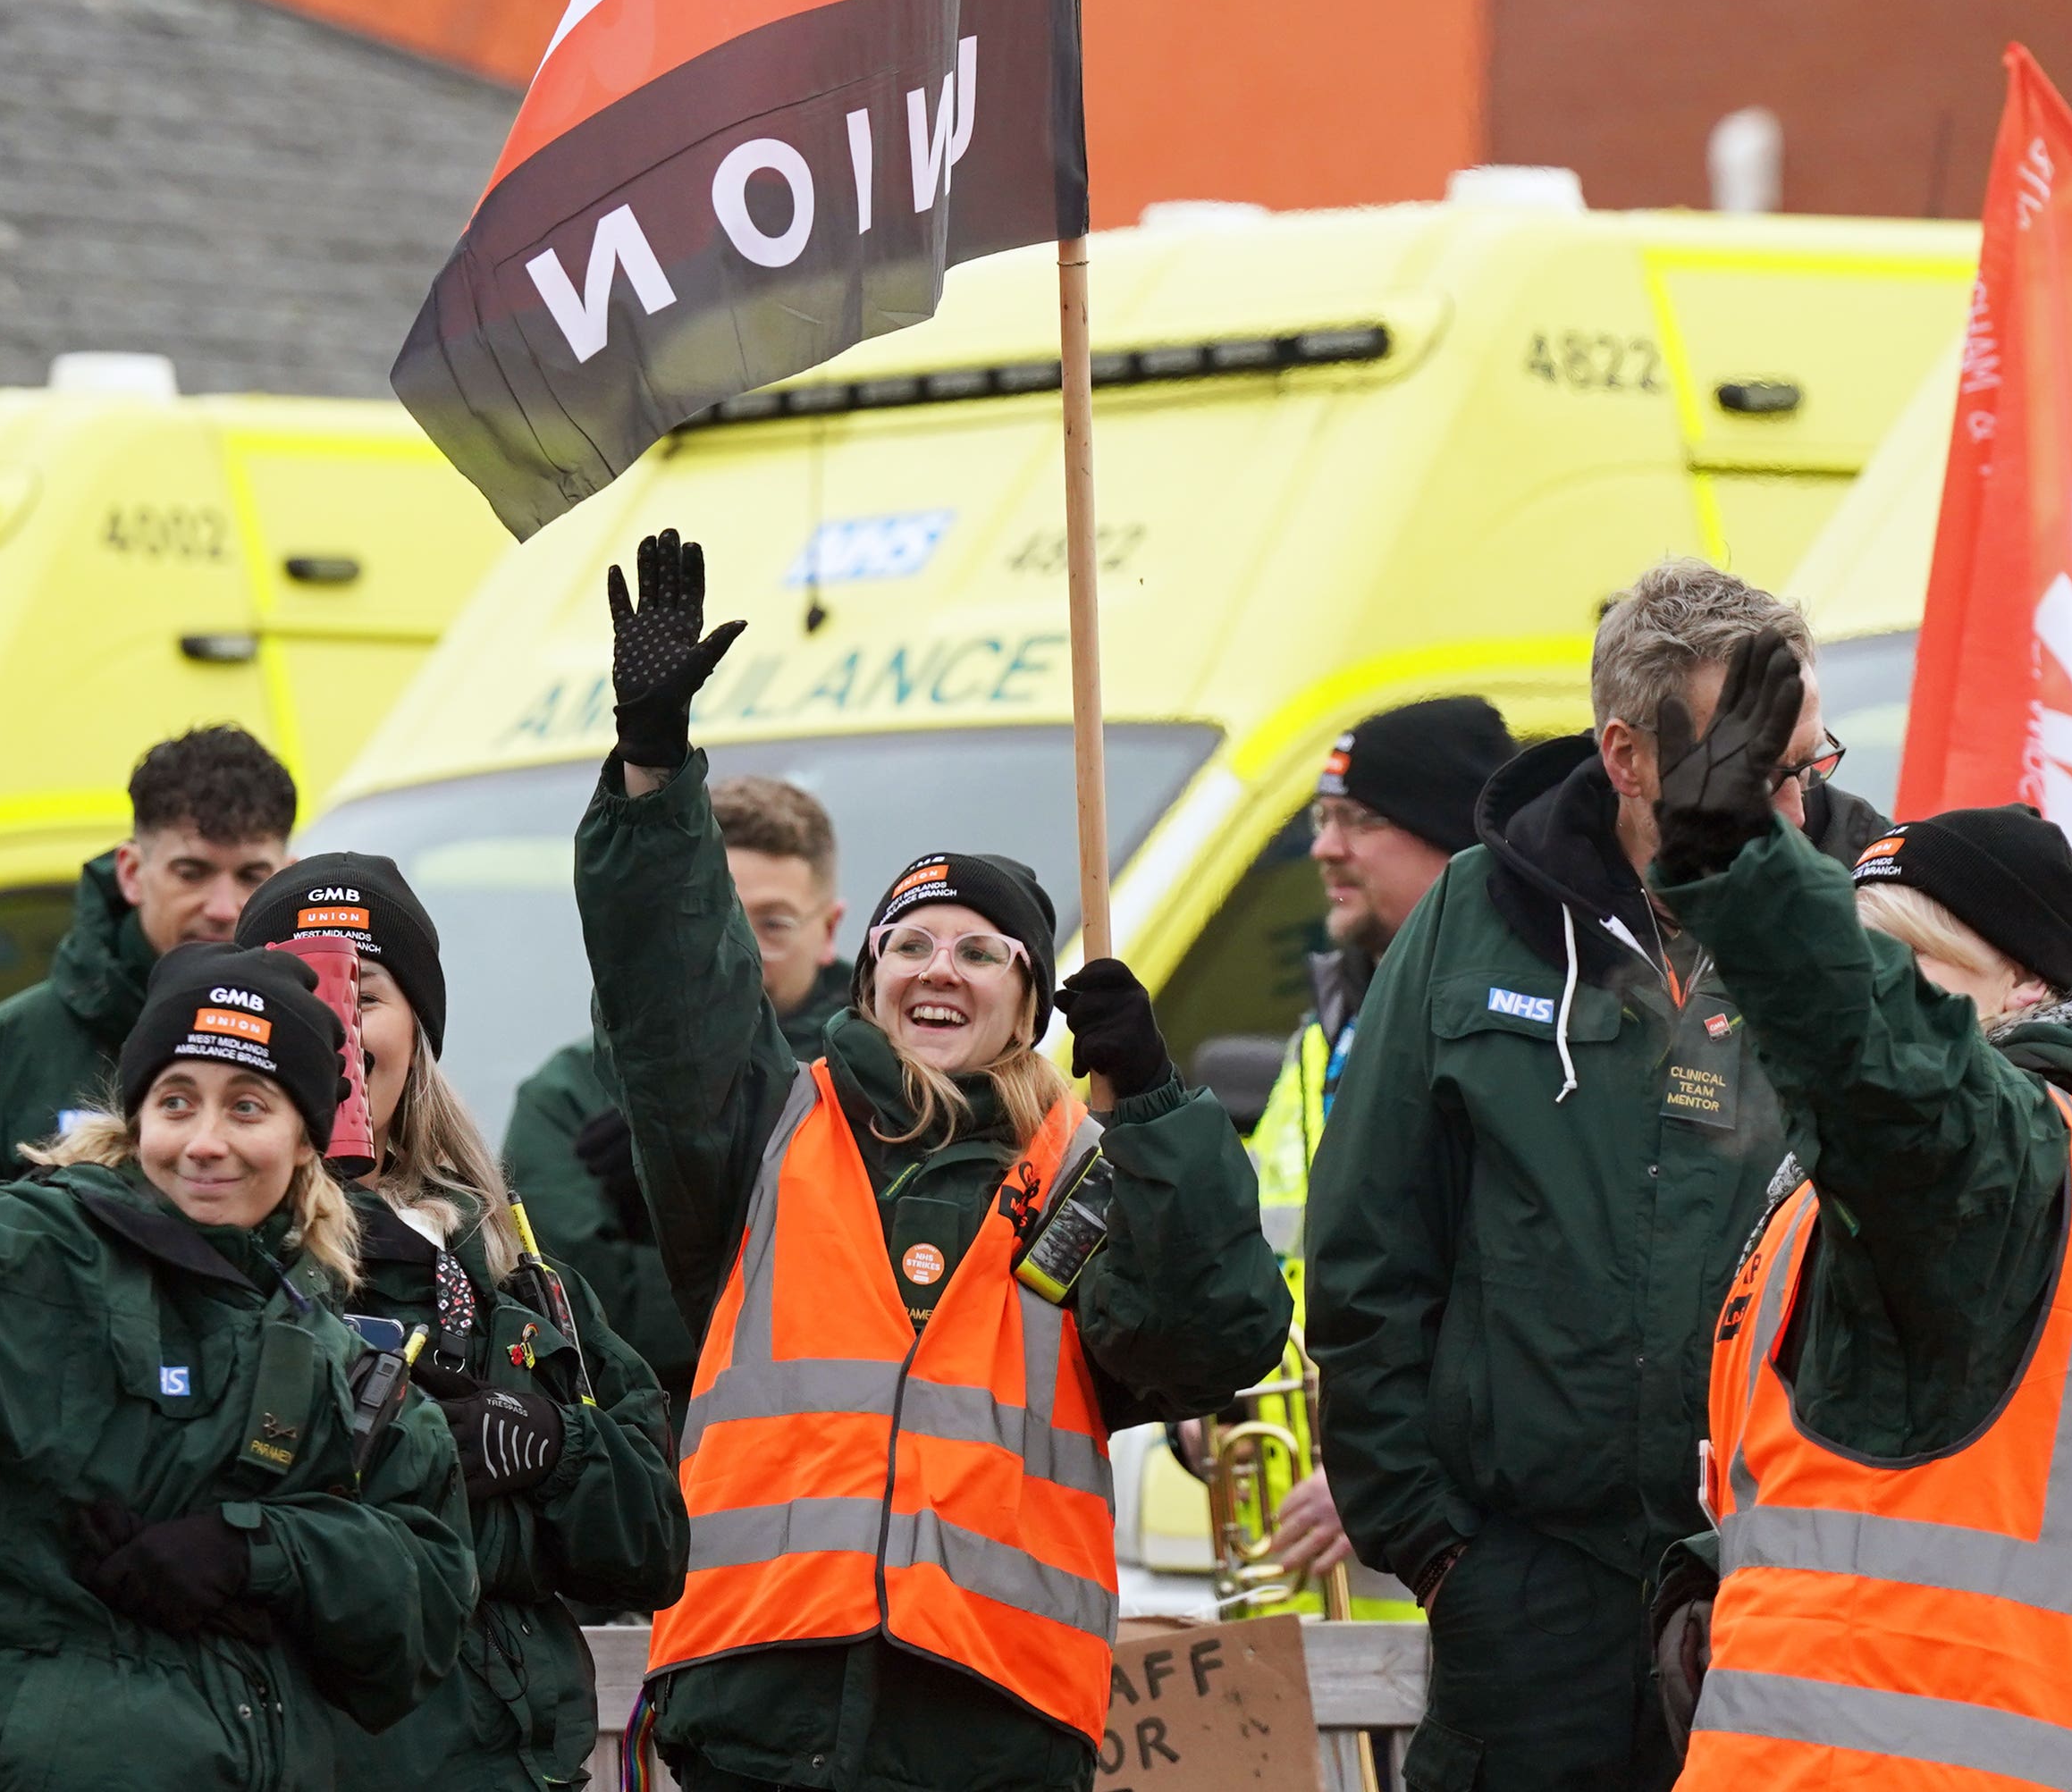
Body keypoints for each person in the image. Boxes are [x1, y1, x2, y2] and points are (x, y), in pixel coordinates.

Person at [572, 531, 1289, 1792]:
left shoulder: (1096, 1165)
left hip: (991, 1717)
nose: (940, 969)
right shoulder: (760, 1129)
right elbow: (674, 974)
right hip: (760, 1689)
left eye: (981, 951)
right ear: (869, 978)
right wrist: (652, 768)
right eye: (912, 945)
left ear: (1029, 1002)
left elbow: (1211, 1340)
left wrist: (1164, 1105)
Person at [1305, 559, 1886, 1792]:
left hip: (1797, 1582)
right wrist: (1434, 1544)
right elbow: (1368, 1246)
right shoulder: (1475, 916)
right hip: (1526, 1591)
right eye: (1749, 770)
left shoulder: (1876, 919)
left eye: (1806, 764)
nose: (1790, 808)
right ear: (1625, 758)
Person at [1631, 633, 2072, 1785]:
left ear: (2028, 992)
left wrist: (1748, 872)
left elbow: (1893, 1069)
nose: (1878, 992)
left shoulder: (2000, 1151)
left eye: (1908, 963)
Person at [0, 923, 476, 1791]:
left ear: (304, 1140)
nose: (204, 1141)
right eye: (176, 1102)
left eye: (246, 1107)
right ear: (138, 1118)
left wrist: (258, 1551)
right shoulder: (36, 1257)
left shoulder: (323, 1341)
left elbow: (428, 1597)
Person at [229, 854, 688, 1788]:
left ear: (419, 1031)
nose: (331, 1023)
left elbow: (654, 1544)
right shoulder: (197, 1256)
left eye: (362, 991)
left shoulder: (513, 1268)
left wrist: (555, 1446)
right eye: (296, 988)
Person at [1236, 696, 1511, 1615]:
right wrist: (1215, 1419)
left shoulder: (1513, 1034)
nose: (1324, 849)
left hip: (1442, 1586)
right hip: (1304, 1596)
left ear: (1454, 840)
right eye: (1321, 821)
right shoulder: (1323, 1032)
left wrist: (1392, 1479)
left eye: (1360, 821)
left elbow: (1528, 1306)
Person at [506, 770, 852, 1405]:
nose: (737, 949)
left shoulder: (884, 1077)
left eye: (772, 924)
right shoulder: (565, 1096)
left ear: (829, 930)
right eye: (707, 916)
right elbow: (585, 1310)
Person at [0, 725, 299, 1190]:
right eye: (191, 873)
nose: (221, 908)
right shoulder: (14, 1044)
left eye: (251, 876)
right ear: (132, 873)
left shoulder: (329, 1042)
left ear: (288, 880)